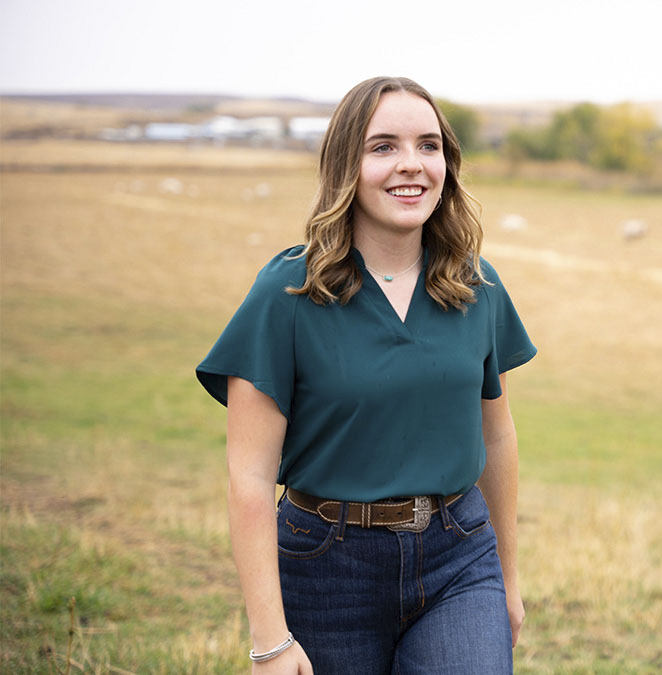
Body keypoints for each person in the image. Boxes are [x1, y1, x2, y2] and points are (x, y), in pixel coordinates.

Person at [197, 76, 536, 674]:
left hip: (459, 557)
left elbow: (497, 436)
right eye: (384, 147)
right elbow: (248, 476)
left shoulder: (475, 285)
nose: (412, 165)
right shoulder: (286, 294)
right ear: (345, 165)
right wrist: (270, 641)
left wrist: (507, 582)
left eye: (429, 146)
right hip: (326, 567)